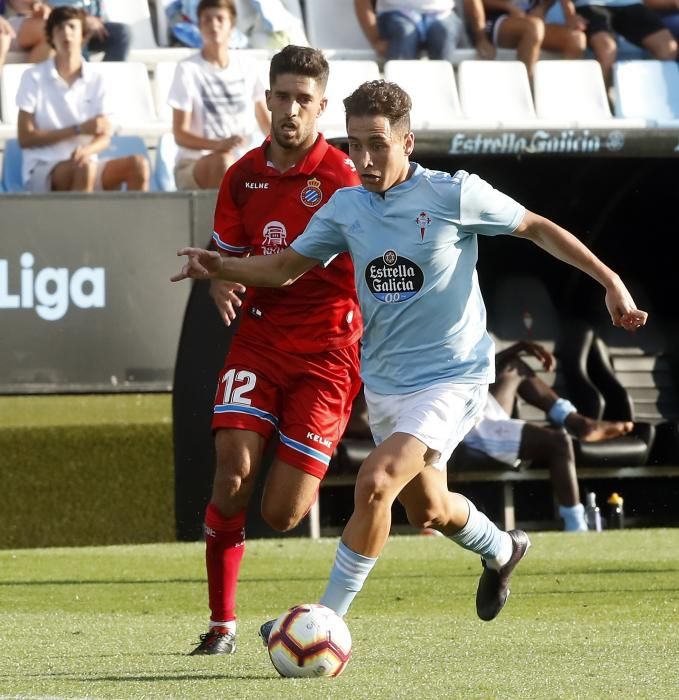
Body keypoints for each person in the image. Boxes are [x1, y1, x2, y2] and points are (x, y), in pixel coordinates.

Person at [171, 79, 647, 630]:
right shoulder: (346, 207)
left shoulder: (454, 194)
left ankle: (325, 621)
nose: (365, 159)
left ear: (408, 142)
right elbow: (282, 269)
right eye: (354, 145)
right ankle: (501, 548)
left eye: (378, 144)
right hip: (389, 382)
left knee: (375, 482)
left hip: (454, 376)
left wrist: (610, 281)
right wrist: (220, 266)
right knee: (430, 509)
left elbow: (536, 228)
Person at [179, 44, 362, 655]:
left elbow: (283, 267)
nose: (289, 109)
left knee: (283, 513)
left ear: (321, 108)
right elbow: (225, 256)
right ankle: (220, 626)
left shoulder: (341, 179)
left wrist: (226, 268)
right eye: (281, 96)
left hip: (327, 356)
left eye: (302, 100)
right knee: (231, 476)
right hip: (258, 341)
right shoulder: (241, 174)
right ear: (267, 99)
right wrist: (218, 280)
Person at [461, 340, 633, 532]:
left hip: (479, 403)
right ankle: (576, 526)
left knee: (513, 365)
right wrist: (519, 347)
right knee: (560, 443)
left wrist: (519, 347)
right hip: (469, 425)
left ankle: (578, 422)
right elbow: (464, 371)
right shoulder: (435, 330)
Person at [15, 5, 150, 192]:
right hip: (43, 168)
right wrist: (77, 130)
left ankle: (137, 222)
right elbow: (25, 138)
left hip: (86, 162)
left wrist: (87, 150)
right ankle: (81, 222)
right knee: (83, 169)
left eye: (72, 27)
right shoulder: (33, 77)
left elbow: (104, 134)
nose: (66, 33)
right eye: (59, 28)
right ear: (51, 37)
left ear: (84, 35)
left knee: (138, 164)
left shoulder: (98, 79)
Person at [168, 0, 271, 191]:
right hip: (195, 165)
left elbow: (266, 124)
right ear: (199, 26)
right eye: (207, 19)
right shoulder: (187, 69)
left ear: (231, 26)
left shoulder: (248, 66)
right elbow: (180, 135)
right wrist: (218, 145)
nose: (213, 25)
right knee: (225, 164)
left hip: (242, 165)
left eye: (220, 19)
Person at [354, 0, 496, 61]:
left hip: (443, 14)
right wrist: (375, 39)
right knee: (405, 33)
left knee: (443, 33)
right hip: (396, 14)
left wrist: (481, 38)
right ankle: (398, 110)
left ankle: (439, 100)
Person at [572, 0, 677, 83]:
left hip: (632, 4)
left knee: (668, 49)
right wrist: (570, 15)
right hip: (590, 4)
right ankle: (598, 99)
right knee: (606, 50)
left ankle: (654, 98)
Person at [47, 0, 130, 62]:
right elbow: (51, 10)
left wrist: (97, 22)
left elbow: (100, 15)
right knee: (75, 30)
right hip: (61, 27)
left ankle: (108, 79)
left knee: (120, 34)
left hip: (92, 31)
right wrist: (82, 20)